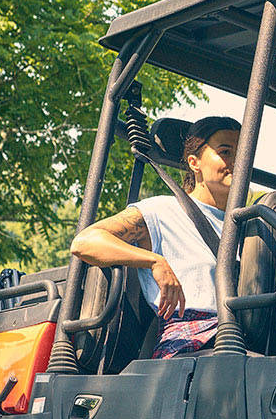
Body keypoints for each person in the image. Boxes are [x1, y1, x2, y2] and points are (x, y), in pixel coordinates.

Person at [69, 116, 238, 358]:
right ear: (194, 162)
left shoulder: (246, 224)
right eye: (225, 151)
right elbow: (85, 242)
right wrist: (153, 261)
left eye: (242, 151)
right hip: (189, 342)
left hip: (239, 334)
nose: (237, 160)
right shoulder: (163, 211)